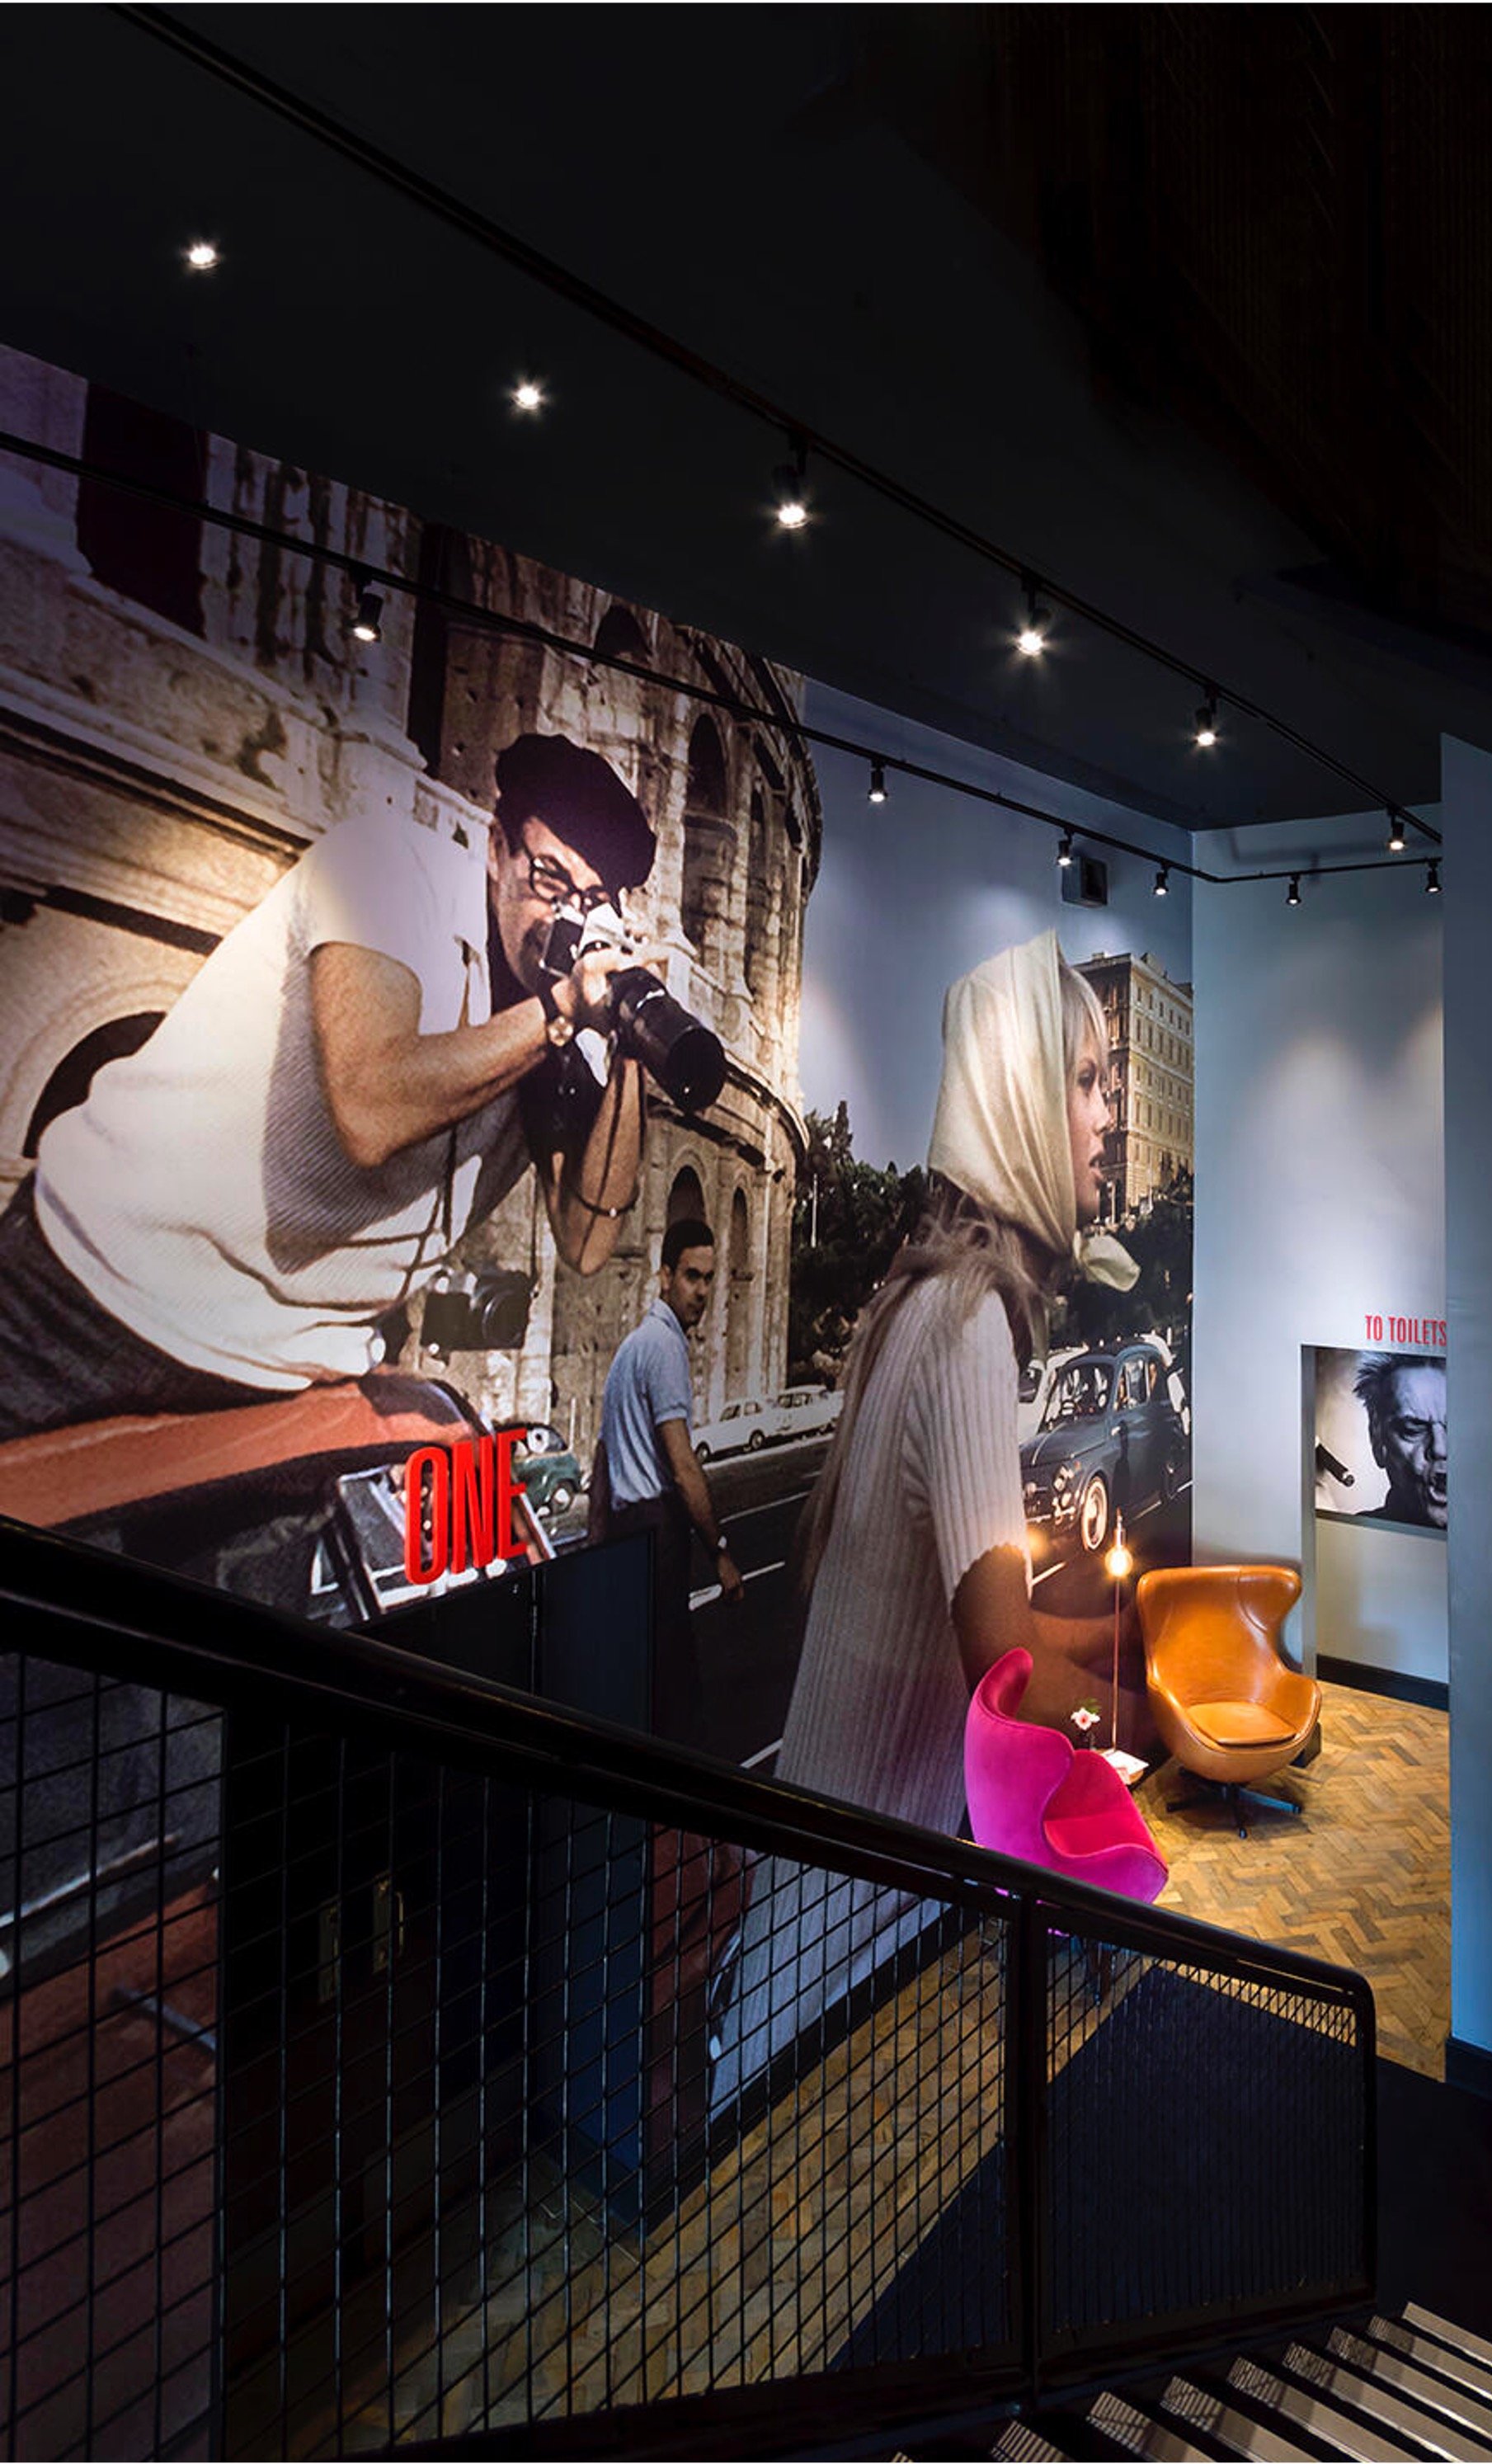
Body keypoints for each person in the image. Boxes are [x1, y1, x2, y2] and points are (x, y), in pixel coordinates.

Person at [710, 927, 1146, 2104]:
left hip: (819, 1952)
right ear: (1017, 1102)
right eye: (1085, 1080)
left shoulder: (932, 1305)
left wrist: (1125, 1635)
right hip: (826, 1987)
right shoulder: (968, 1326)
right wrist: (1150, 1712)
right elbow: (1008, 1671)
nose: (1107, 1113)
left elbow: (987, 1639)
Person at [0, 733, 662, 1446]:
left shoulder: (557, 1027)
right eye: (550, 880)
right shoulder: (388, 869)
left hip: (282, 1379)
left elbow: (588, 1239)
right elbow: (371, 1110)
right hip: (87, 1295)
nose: (564, 917)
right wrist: (559, 1012)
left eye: (592, 900)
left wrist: (633, 1037)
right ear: (497, 848)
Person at [589, 1217, 744, 1739]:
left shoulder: (632, 1347)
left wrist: (597, 1546)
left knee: (639, 1683)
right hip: (657, 1531)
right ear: (664, 1277)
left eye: (708, 1278)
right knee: (675, 1697)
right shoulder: (665, 1347)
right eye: (691, 1276)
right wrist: (719, 1551)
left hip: (625, 1532)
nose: (701, 1291)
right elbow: (682, 1467)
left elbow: (603, 1458)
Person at [1353, 1354, 1448, 1528]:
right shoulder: (1354, 1531)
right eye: (1413, 1429)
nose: (1440, 1449)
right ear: (1377, 1439)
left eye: (1456, 1430)